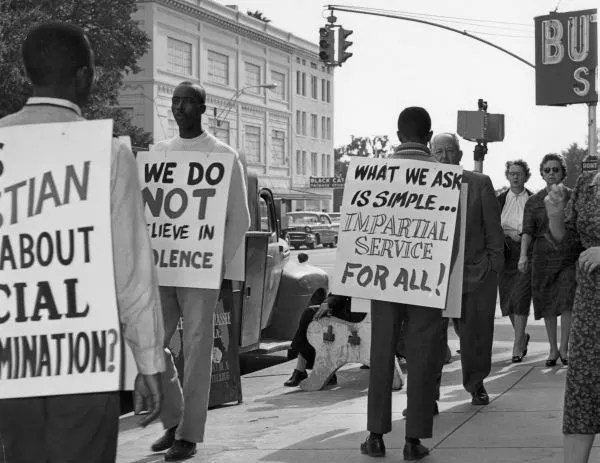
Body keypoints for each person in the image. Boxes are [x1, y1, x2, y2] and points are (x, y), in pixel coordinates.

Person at [0, 22, 165, 463]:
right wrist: (147, 362)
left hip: (9, 362)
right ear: (84, 76)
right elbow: (131, 272)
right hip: (84, 362)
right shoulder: (109, 154)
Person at [149, 81, 250, 461]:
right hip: (162, 266)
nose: (178, 108)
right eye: (175, 101)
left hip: (201, 271)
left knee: (196, 347)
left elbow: (238, 218)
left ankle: (188, 435)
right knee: (151, 341)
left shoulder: (223, 155)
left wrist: (216, 262)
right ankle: (173, 418)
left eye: (187, 102)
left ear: (203, 108)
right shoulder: (159, 153)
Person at [360, 107, 447, 461]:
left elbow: (359, 231)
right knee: (424, 356)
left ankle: (376, 436)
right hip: (428, 279)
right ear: (429, 137)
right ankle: (413, 441)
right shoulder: (445, 178)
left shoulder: (373, 175)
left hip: (383, 278)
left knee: (381, 353)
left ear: (397, 137)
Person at [431, 133, 504, 406]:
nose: (445, 157)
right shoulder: (420, 185)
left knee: (475, 335)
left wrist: (492, 266)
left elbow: (493, 231)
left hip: (474, 273)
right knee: (430, 339)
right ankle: (428, 394)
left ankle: (476, 385)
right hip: (432, 279)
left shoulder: (479, 183)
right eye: (438, 151)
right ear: (431, 153)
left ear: (460, 154)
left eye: (450, 151)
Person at [545, 170, 599, 463]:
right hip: (591, 307)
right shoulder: (587, 185)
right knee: (582, 392)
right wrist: (554, 215)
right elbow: (567, 244)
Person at [519, 154, 576, 367]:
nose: (551, 173)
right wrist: (523, 256)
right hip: (542, 256)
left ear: (563, 172)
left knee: (568, 299)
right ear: (542, 173)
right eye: (547, 170)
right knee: (547, 301)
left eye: (556, 169)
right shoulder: (534, 201)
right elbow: (527, 231)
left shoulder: (573, 196)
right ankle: (552, 348)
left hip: (569, 254)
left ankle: (565, 347)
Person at [497, 160, 534, 362]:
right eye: (512, 173)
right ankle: (522, 335)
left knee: (520, 297)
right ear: (507, 175)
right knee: (508, 300)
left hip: (526, 252)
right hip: (505, 253)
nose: (515, 176)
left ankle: (517, 343)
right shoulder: (499, 199)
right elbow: (493, 225)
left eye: (519, 173)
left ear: (526, 176)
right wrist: (506, 234)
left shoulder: (534, 199)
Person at [284, 289, 351, 387]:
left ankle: (320, 370)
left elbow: (350, 288)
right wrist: (328, 303)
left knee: (311, 315)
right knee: (310, 314)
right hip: (345, 306)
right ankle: (301, 370)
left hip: (356, 312)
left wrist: (329, 303)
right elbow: (343, 287)